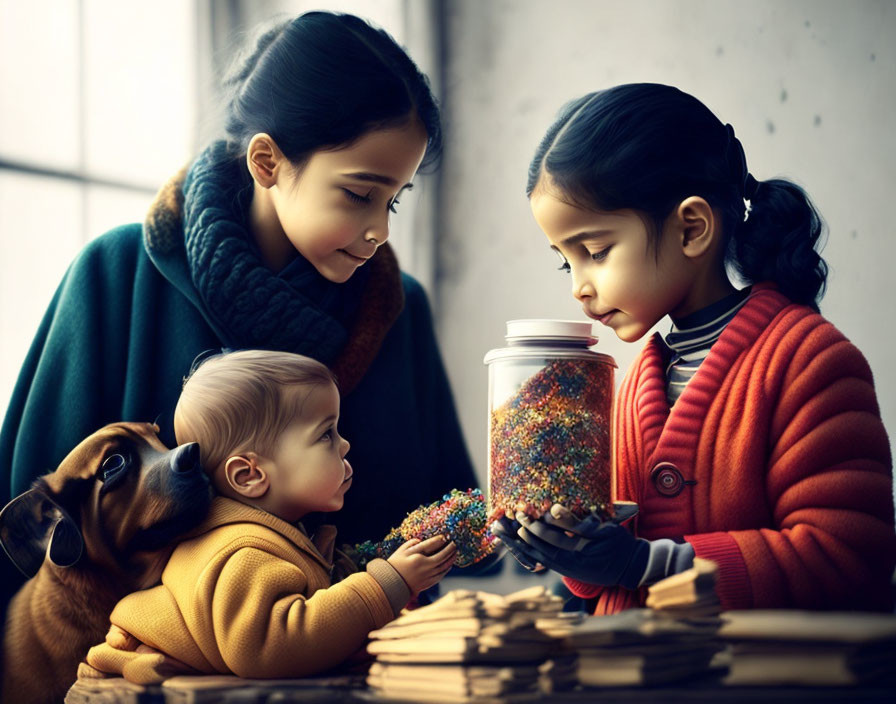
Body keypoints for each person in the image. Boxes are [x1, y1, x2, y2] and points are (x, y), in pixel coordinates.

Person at [0, 11, 476, 615]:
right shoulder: (113, 275)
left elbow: (452, 530)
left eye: (395, 200)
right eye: (359, 194)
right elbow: (27, 545)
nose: (380, 230)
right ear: (267, 162)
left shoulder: (398, 314)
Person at [493, 83, 895, 614]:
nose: (579, 287)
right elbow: (610, 571)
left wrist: (644, 565)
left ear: (691, 228)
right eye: (567, 262)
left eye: (595, 251)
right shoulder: (633, 383)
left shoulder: (810, 361)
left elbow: (848, 557)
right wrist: (573, 552)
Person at [82, 349, 457, 682]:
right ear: (250, 476)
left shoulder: (281, 536)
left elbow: (321, 602)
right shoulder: (240, 554)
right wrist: (385, 585)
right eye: (326, 434)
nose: (345, 444)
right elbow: (275, 648)